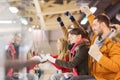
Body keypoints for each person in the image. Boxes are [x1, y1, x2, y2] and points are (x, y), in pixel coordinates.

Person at [75, 6, 120, 80]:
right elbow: (94, 22)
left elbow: (117, 67)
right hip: (95, 74)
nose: (93, 28)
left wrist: (99, 56)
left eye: (95, 26)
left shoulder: (115, 43)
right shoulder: (98, 36)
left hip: (105, 78)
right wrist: (89, 14)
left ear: (103, 25)